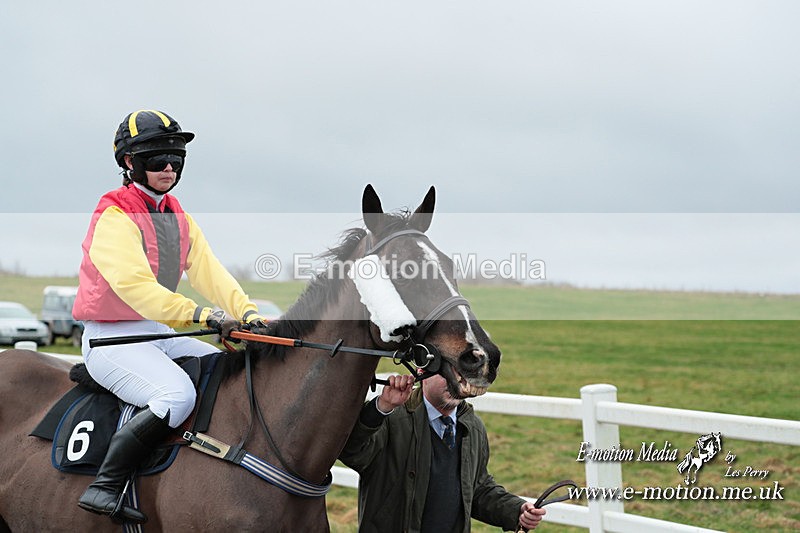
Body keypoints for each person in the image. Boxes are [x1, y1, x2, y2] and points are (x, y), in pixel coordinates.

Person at [72, 109, 268, 524]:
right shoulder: (113, 216)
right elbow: (137, 289)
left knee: (227, 370)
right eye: (158, 159)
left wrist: (247, 312)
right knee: (177, 396)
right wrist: (203, 315)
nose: (168, 168)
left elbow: (211, 273)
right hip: (112, 339)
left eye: (176, 159)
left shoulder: (178, 216)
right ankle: (105, 484)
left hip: (157, 333)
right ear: (130, 162)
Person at [339, 373, 546, 532]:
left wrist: (515, 510)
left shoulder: (473, 426)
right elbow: (351, 451)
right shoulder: (390, 419)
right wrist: (380, 408)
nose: (456, 380)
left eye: (462, 372)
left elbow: (477, 489)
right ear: (422, 372)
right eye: (446, 371)